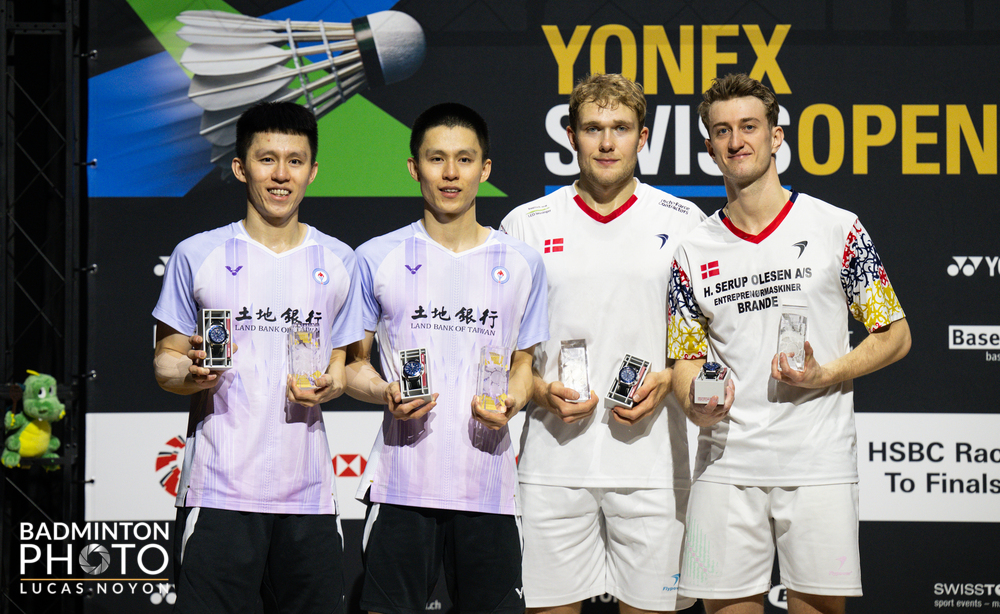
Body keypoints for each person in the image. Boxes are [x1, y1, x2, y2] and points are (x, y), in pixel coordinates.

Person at [668, 73, 912, 614]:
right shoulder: (692, 250)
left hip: (818, 463)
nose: (737, 141)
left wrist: (825, 374)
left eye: (749, 127)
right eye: (722, 131)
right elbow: (685, 359)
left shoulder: (837, 228)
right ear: (709, 147)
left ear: (776, 136)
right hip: (725, 467)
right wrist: (695, 403)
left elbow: (895, 335)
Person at [500, 73, 706, 614]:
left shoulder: (686, 223)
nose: (607, 142)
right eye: (593, 128)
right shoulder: (524, 225)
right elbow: (503, 353)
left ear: (643, 137)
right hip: (552, 464)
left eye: (621, 128)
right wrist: (540, 391)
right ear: (571, 136)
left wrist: (668, 380)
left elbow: (703, 343)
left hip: (654, 465)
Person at [152, 101, 362, 613]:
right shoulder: (197, 254)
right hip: (218, 491)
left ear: (312, 171)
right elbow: (165, 361)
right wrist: (191, 372)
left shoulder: (340, 260)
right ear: (241, 167)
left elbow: (345, 365)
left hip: (308, 496)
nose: (281, 175)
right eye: (267, 159)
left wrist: (333, 383)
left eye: (295, 161)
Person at [346, 102, 549, 613]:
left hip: (489, 489)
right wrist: (384, 391)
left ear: (485, 169)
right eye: (436, 159)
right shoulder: (376, 257)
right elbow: (351, 365)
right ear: (414, 168)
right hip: (401, 486)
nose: (451, 173)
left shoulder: (523, 263)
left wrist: (512, 401)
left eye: (465, 159)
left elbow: (523, 365)